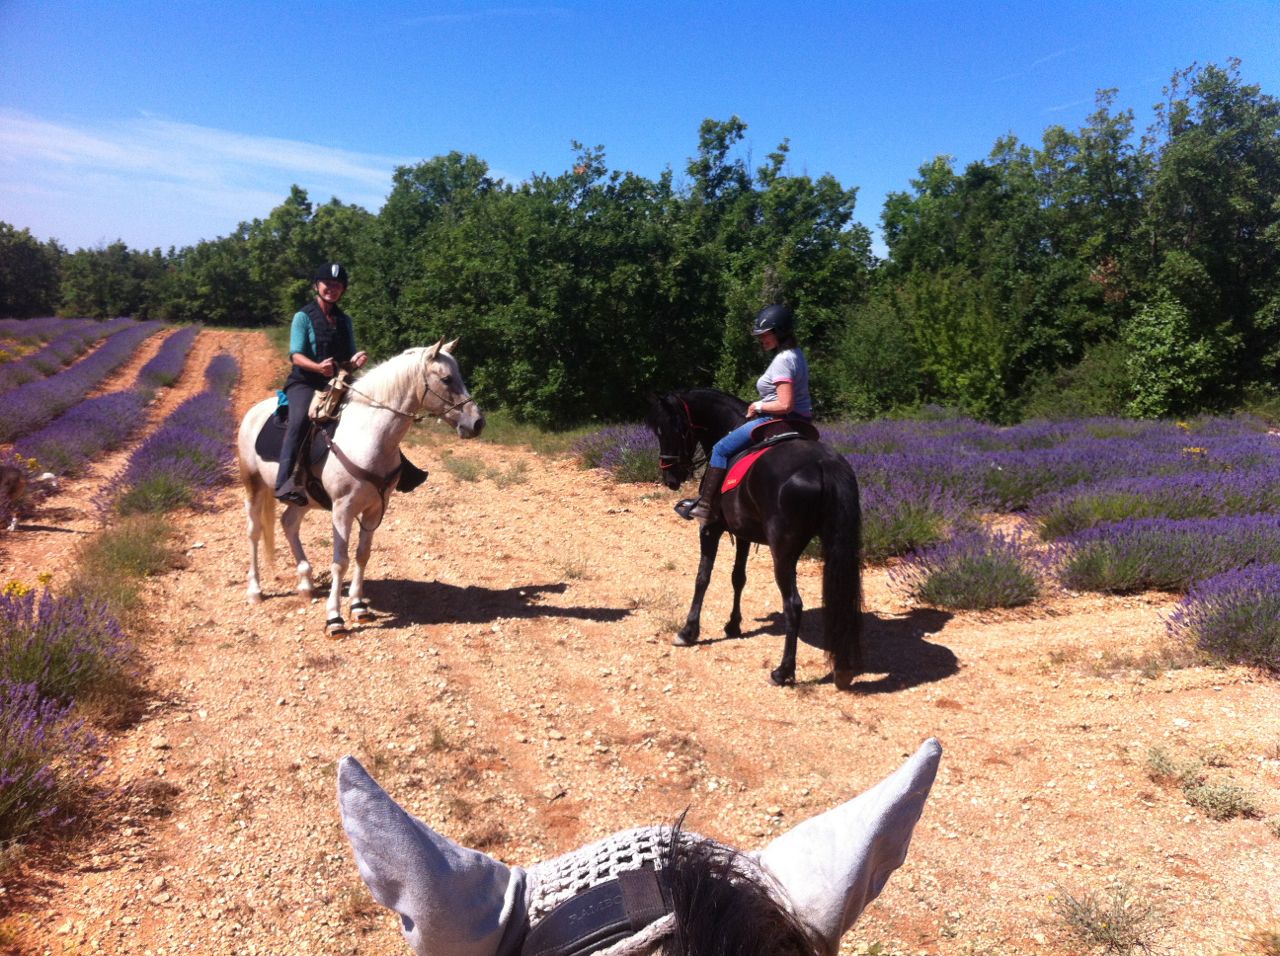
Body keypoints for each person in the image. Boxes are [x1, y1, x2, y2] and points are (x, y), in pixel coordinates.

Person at [676, 303, 812, 521]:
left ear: (779, 331)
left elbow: (785, 404)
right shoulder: (797, 354)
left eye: (765, 334)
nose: (761, 339)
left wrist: (757, 406)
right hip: (803, 421)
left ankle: (706, 506)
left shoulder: (782, 361)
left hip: (779, 419)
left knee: (720, 449)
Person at [274, 262, 369, 505]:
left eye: (338, 285)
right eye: (327, 283)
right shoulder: (303, 317)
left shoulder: (344, 320)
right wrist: (317, 367)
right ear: (317, 285)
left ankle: (398, 470)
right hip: (305, 382)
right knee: (300, 421)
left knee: (373, 411)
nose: (332, 289)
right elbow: (296, 356)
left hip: (337, 382)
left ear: (343, 290)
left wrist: (356, 361)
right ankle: (284, 483)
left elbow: (348, 357)